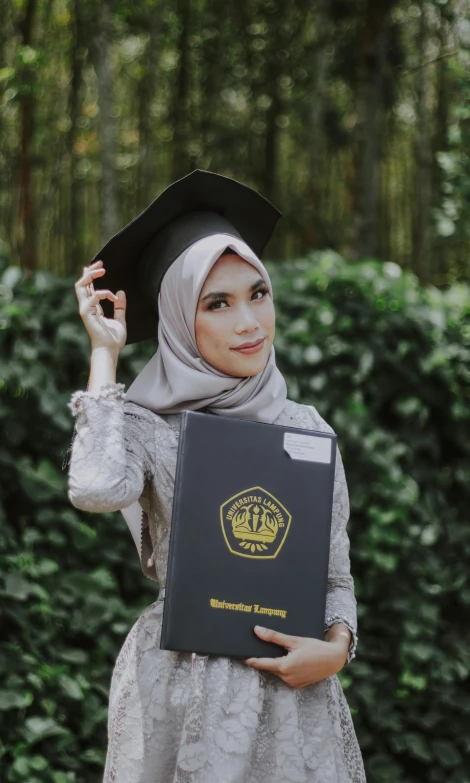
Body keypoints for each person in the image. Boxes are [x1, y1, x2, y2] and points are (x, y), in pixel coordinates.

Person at [66, 171, 366, 782]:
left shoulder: (308, 428)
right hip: (181, 688)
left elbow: (333, 572)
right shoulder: (148, 427)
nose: (249, 322)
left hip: (290, 697)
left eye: (258, 293)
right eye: (217, 304)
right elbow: (96, 487)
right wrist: (105, 356)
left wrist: (334, 652)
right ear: (180, 320)